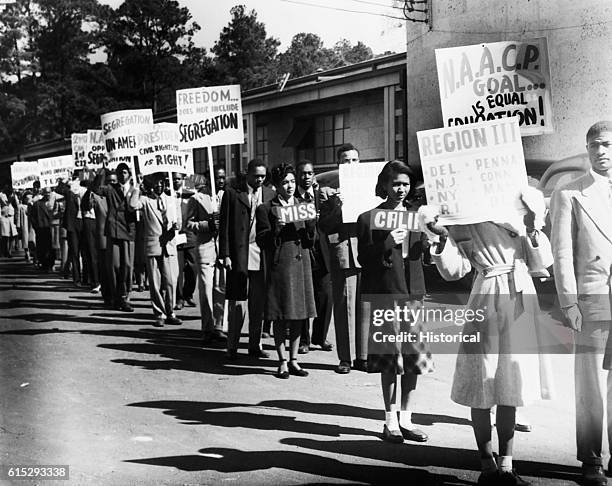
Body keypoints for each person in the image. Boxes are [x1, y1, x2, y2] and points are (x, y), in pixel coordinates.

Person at [421, 186, 553, 486]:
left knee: (512, 379)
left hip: (519, 294)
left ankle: (506, 465)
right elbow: (454, 271)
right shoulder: (465, 213)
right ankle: (486, 464)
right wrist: (441, 236)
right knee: (482, 378)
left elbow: (542, 261)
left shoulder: (520, 206)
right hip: (487, 295)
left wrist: (533, 225)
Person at [550, 121, 612, 486]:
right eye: (594, 146)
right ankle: (591, 459)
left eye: (606, 145)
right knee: (589, 382)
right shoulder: (569, 192)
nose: (600, 152)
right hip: (591, 297)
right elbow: (561, 252)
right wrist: (569, 302)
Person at [357, 161, 433, 444]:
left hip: (413, 294)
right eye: (396, 184)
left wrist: (432, 243)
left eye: (405, 184)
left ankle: (406, 419)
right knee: (389, 357)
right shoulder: (369, 218)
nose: (401, 189)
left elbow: (422, 253)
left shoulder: (418, 217)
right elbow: (363, 259)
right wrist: (387, 241)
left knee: (413, 358)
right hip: (386, 294)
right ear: (385, 185)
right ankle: (389, 420)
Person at [256, 163, 316, 378]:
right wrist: (277, 228)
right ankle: (281, 360)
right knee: (281, 314)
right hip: (280, 265)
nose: (290, 186)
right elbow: (262, 240)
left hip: (301, 263)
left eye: (292, 181)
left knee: (299, 314)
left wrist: (310, 225)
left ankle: (294, 360)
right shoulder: (265, 208)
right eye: (285, 182)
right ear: (276, 185)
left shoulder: (303, 204)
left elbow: (311, 241)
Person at [219, 159, 274, 360]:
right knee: (237, 304)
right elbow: (223, 226)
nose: (260, 179)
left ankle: (254, 344)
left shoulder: (270, 194)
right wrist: (224, 254)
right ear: (247, 174)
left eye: (263, 176)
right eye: (256, 176)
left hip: (261, 255)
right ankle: (232, 345)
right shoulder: (233, 193)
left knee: (257, 303)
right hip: (238, 255)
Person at [319, 143, 364, 373]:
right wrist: (338, 206)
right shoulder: (327, 192)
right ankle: (346, 357)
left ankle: (364, 355)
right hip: (344, 252)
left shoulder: (368, 186)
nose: (351, 164)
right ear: (339, 164)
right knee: (345, 305)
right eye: (346, 160)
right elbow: (324, 225)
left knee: (365, 306)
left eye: (355, 160)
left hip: (366, 252)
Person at [295, 160, 333, 354]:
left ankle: (320, 336)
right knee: (303, 298)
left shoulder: (322, 196)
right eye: (303, 173)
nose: (307, 177)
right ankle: (303, 340)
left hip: (323, 253)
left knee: (326, 296)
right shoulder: (292, 199)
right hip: (302, 252)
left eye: (310, 173)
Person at [91, 162, 140, 312]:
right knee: (115, 266)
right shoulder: (111, 188)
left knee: (127, 266)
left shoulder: (136, 189)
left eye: (125, 172)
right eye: (120, 173)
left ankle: (124, 296)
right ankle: (116, 297)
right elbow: (95, 189)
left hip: (129, 230)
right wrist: (102, 171)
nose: (122, 175)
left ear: (129, 175)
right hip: (114, 230)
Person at [138, 174, 182, 327]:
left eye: (161, 183)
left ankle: (171, 311)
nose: (159, 186)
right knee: (155, 283)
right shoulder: (145, 200)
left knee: (171, 281)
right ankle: (159, 313)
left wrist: (176, 227)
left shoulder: (172, 200)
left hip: (169, 245)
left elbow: (180, 222)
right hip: (153, 246)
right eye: (156, 183)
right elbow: (131, 205)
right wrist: (137, 187)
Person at [186, 177, 227, 344]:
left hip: (222, 249)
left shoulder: (226, 196)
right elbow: (188, 223)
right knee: (206, 289)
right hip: (205, 248)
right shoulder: (196, 199)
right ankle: (207, 327)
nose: (221, 181)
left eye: (224, 177)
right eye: (218, 178)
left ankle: (219, 326)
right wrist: (207, 225)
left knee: (221, 287)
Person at [172, 172, 197, 309]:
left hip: (190, 235)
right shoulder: (168, 194)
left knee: (193, 268)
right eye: (174, 179)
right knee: (178, 268)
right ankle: (179, 297)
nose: (176, 181)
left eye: (178, 179)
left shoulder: (190, 194)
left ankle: (189, 293)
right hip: (175, 236)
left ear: (183, 179)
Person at [29, 187, 57, 272]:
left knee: (51, 248)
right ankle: (44, 264)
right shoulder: (37, 204)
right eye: (46, 193)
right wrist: (36, 227)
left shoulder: (54, 203)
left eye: (49, 193)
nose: (48, 195)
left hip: (51, 229)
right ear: (43, 194)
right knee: (42, 248)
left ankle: (50, 264)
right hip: (41, 229)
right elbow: (32, 217)